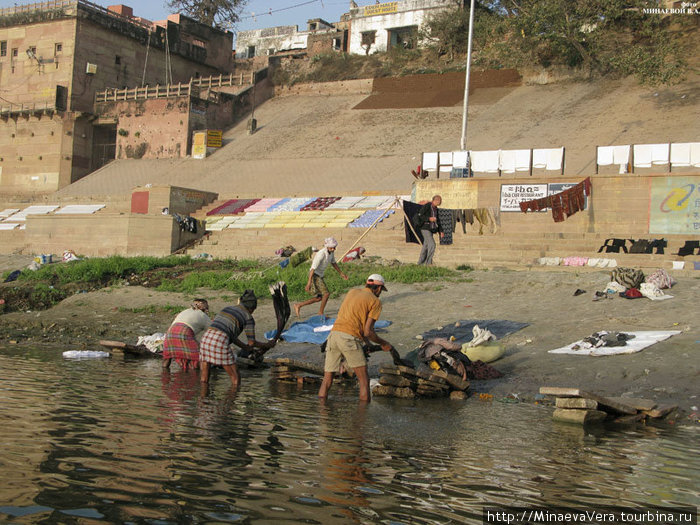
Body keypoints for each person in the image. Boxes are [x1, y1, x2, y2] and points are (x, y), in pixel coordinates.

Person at [318, 274, 394, 402]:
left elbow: (358, 322)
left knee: (327, 379)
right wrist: (384, 343)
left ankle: (323, 416)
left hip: (333, 335)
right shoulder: (375, 302)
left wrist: (367, 344)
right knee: (364, 380)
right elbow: (368, 331)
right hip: (349, 339)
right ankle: (362, 419)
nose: (380, 293)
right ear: (379, 288)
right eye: (381, 290)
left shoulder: (352, 292)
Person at [199, 290, 275, 386]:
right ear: (252, 308)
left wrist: (245, 347)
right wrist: (267, 344)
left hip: (206, 338)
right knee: (235, 377)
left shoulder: (227, 309)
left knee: (204, 378)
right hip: (220, 340)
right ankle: (232, 400)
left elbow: (232, 336)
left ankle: (203, 399)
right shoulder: (248, 317)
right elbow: (252, 342)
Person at [294, 237, 348, 318]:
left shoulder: (331, 253)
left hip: (320, 275)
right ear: (327, 246)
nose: (333, 249)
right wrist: (309, 283)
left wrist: (341, 273)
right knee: (326, 294)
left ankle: (298, 305)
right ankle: (320, 313)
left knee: (319, 298)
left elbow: (333, 263)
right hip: (314, 275)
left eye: (334, 247)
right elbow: (312, 269)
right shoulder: (321, 254)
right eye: (331, 247)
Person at [162, 299, 211, 371]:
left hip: (170, 332)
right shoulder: (204, 316)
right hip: (184, 332)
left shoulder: (185, 311)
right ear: (205, 308)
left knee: (167, 358)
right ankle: (200, 376)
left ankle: (164, 374)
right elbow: (213, 331)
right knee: (199, 357)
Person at [413, 194, 444, 265]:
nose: (440, 202)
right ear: (434, 200)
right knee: (432, 244)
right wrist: (429, 219)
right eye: (438, 200)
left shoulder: (436, 209)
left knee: (426, 246)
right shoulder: (427, 206)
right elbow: (420, 215)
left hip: (431, 229)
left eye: (440, 200)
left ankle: (420, 263)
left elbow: (438, 221)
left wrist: (441, 231)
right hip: (425, 228)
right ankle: (428, 263)